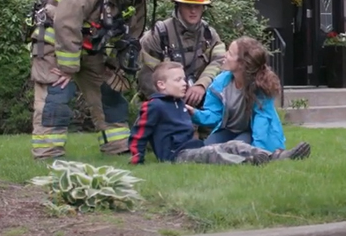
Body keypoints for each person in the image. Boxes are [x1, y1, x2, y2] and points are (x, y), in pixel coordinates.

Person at [29, 0, 171, 159]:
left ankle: (118, 148)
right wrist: (67, 67)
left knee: (109, 92)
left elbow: (131, 36)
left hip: (90, 50)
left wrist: (116, 67)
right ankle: (48, 154)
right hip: (54, 45)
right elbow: (66, 23)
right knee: (56, 95)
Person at [128, 61, 310, 165]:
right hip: (176, 155)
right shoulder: (154, 106)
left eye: (184, 79)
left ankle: (276, 156)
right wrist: (137, 157)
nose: (184, 83)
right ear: (161, 85)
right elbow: (139, 133)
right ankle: (246, 162)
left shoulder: (179, 104)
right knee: (216, 152)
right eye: (178, 80)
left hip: (192, 147)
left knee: (232, 144)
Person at [185, 36, 311, 159]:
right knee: (208, 150)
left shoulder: (261, 86)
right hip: (229, 130)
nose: (225, 55)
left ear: (242, 63)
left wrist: (258, 150)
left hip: (250, 132)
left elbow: (261, 125)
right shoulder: (219, 84)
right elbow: (214, 114)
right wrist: (195, 114)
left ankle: (279, 155)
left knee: (240, 149)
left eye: (230, 53)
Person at [136, 0, 226, 109]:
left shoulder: (209, 35)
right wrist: (173, 103)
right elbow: (147, 77)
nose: (193, 11)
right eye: (188, 5)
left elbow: (220, 61)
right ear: (178, 5)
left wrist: (202, 84)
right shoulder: (159, 34)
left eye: (198, 6)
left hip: (200, 106)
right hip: (163, 106)